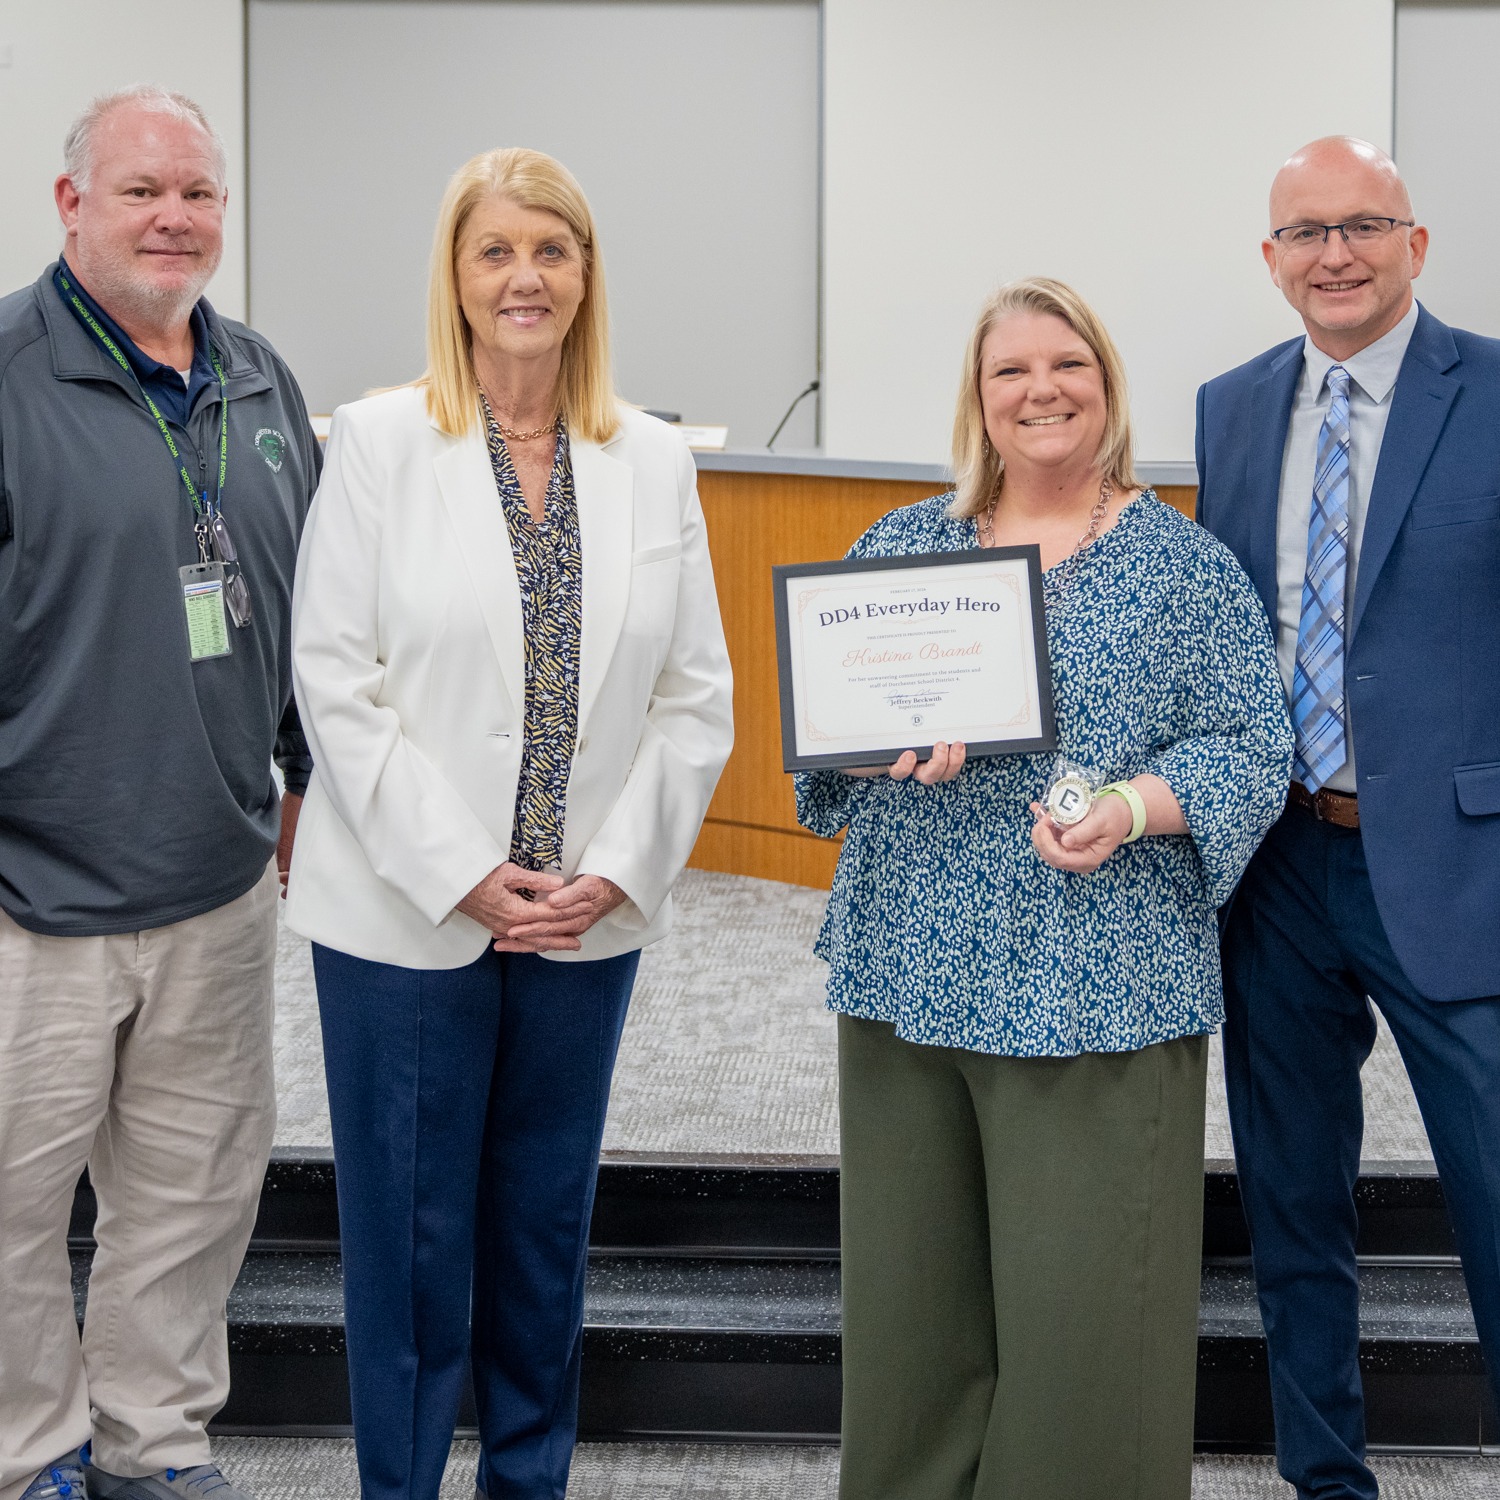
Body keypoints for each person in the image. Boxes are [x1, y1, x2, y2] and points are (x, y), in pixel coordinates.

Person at [286, 146, 733, 1500]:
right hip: (406, 913)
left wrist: (613, 872)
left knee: (541, 1234)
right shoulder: (376, 444)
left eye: (553, 249)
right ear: (457, 279)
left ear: (588, 274)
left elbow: (694, 696)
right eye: (496, 252)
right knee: (412, 1246)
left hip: (581, 919)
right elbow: (335, 681)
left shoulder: (651, 458)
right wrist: (467, 870)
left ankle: (527, 1482)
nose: (525, 276)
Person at [796, 277, 1291, 1500]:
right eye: (1011, 372)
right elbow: (828, 750)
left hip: (1100, 991)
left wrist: (1129, 808)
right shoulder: (904, 547)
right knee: (914, 1326)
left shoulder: (1182, 565)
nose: (1041, 391)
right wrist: (871, 742)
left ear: (1107, 385)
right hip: (909, 978)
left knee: (1087, 1347)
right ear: (979, 399)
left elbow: (1248, 746)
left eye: (1066, 364)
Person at [0, 88, 319, 1500]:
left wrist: (300, 781)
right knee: (9, 1212)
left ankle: (153, 1446)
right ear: (71, 206)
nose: (175, 218)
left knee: (189, 1199)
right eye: (141, 192)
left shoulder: (259, 380)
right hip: (31, 900)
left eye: (197, 192)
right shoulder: (7, 374)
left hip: (216, 882)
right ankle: (32, 1453)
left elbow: (307, 612)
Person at [1196, 136, 1500, 1500]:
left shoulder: (1492, 394)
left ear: (1417, 244)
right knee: (1294, 1209)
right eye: (1307, 233)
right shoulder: (1233, 407)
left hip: (1459, 867)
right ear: (1271, 261)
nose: (1335, 253)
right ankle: (1328, 1479)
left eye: (1364, 225)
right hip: (1278, 868)